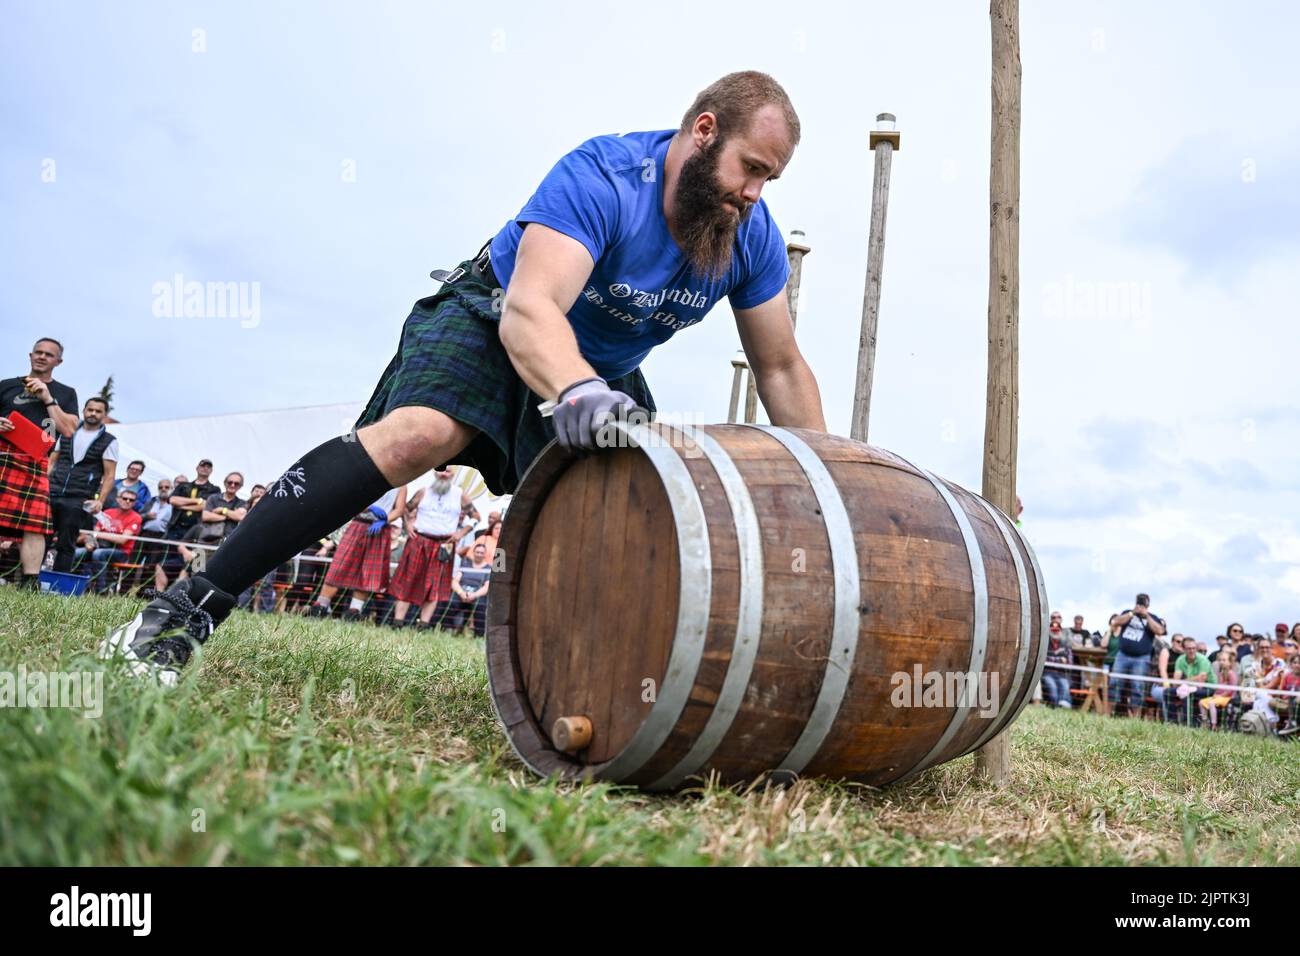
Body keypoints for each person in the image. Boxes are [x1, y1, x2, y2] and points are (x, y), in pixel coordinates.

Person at [102, 72, 827, 683]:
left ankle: (588, 684)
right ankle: (187, 607)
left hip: (602, 370)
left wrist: (832, 483)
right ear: (703, 132)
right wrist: (575, 390)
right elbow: (530, 309)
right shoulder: (604, 176)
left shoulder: (749, 239)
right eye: (750, 168)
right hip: (495, 314)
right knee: (417, 436)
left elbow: (780, 365)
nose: (755, 193)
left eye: (770, 177)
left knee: (629, 514)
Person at [0, 338, 80, 588]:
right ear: (30, 354)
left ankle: (30, 581)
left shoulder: (65, 393)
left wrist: (47, 397)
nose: (42, 357)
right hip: (2, 456)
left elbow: (68, 429)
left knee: (34, 526)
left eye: (49, 354)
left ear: (59, 361)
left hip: (35, 461)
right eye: (38, 352)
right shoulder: (6, 386)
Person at [306, 484, 408, 621]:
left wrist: (384, 521)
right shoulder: (372, 476)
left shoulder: (401, 485)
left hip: (379, 530)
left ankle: (354, 612)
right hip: (358, 524)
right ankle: (320, 607)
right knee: (339, 567)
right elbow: (354, 500)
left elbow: (399, 510)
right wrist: (370, 508)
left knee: (368, 572)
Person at [388, 468, 474, 629]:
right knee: (408, 580)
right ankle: (398, 622)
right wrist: (408, 525)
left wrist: (461, 533)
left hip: (444, 544)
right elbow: (406, 508)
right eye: (441, 471)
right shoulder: (423, 492)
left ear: (452, 474)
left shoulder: (459, 494)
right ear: (435, 473)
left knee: (435, 585)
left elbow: (475, 518)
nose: (444, 474)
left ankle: (423, 625)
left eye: (447, 472)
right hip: (419, 540)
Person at [46, 396, 119, 573]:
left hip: (78, 498)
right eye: (90, 409)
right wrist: (43, 486)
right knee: (41, 538)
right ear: (84, 410)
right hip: (52, 492)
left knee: (66, 542)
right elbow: (51, 462)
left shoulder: (109, 440)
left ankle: (58, 584)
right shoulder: (67, 431)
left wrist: (100, 501)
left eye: (98, 411)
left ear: (104, 415)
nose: (93, 413)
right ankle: (30, 581)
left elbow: (109, 475)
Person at [153, 461, 219, 589]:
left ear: (211, 471)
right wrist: (197, 501)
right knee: (167, 560)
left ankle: (184, 593)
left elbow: (205, 506)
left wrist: (182, 504)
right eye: (202, 465)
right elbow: (172, 500)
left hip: (196, 530)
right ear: (197, 468)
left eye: (208, 467)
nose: (205, 469)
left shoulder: (214, 489)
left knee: (194, 563)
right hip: (175, 529)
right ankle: (163, 593)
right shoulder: (184, 486)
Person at [73, 487, 143, 594]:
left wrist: (99, 535)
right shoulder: (108, 512)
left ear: (135, 503)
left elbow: (122, 540)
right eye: (125, 498)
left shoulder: (136, 517)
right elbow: (94, 533)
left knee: (98, 554)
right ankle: (79, 586)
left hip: (122, 552)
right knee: (77, 553)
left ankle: (102, 591)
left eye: (131, 500)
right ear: (118, 499)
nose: (127, 501)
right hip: (99, 546)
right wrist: (90, 541)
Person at [1108, 592, 1167, 717]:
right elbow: (1115, 621)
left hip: (1141, 658)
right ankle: (1108, 714)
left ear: (1148, 604)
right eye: (1139, 602)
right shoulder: (1128, 612)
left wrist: (1147, 616)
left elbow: (1160, 630)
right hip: (1122, 655)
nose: (1140, 605)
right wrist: (1132, 613)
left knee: (1137, 687)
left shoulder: (1153, 617)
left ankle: (1135, 717)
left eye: (1143, 602)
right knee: (1114, 684)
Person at [430, 538, 493, 637]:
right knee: (451, 602)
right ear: (473, 552)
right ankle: (447, 629)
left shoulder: (489, 568)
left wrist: (474, 595)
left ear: (485, 554)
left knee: (481, 606)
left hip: (478, 594)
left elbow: (487, 587)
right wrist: (461, 593)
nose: (479, 554)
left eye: (482, 553)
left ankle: (478, 634)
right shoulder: (465, 563)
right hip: (461, 592)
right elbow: (455, 581)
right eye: (477, 552)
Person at [1171, 639, 1214, 727]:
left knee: (1187, 694)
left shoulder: (1203, 660)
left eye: (1194, 648)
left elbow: (1201, 683)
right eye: (1189, 648)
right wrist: (1193, 679)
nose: (1192, 651)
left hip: (1209, 688)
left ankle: (1190, 724)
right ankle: (1171, 723)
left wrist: (1185, 681)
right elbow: (1175, 681)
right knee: (1168, 692)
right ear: (1183, 649)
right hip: (1189, 688)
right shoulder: (1180, 659)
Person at [1199, 654, 1239, 731]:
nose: (1221, 662)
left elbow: (1231, 689)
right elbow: (1219, 687)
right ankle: (1205, 722)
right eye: (1220, 660)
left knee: (1211, 703)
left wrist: (1220, 696)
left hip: (1228, 698)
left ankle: (1214, 725)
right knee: (1201, 702)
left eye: (1224, 660)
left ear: (1229, 662)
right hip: (1219, 697)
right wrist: (1215, 694)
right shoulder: (1220, 673)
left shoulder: (1231, 673)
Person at [1041, 612, 1073, 708]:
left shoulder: (1066, 643)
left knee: (1065, 688)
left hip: (1062, 673)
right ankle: (1053, 707)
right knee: (1053, 689)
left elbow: (1069, 661)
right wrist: (1059, 659)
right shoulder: (1045, 641)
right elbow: (1043, 658)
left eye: (1058, 617)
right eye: (1053, 617)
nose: (1055, 631)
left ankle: (1061, 708)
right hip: (1048, 672)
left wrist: (1054, 659)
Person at [1150, 633, 1184, 722]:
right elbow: (1162, 670)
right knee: (1168, 694)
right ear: (1172, 642)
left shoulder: (1184, 657)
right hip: (1161, 686)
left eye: (1182, 642)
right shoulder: (1166, 651)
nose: (1180, 644)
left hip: (1179, 688)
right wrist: (1168, 685)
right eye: (1178, 641)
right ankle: (1169, 723)